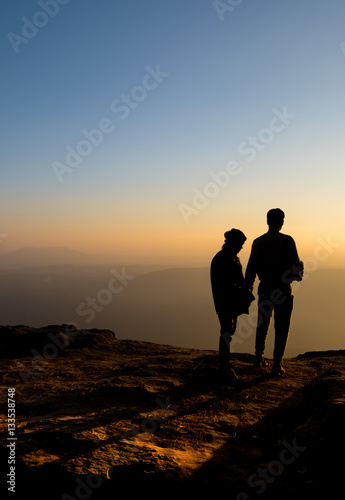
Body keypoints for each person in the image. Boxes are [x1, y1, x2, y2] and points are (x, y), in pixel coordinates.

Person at [245, 208, 303, 376]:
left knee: (262, 322)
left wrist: (248, 288)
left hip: (265, 287)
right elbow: (296, 267)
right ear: (281, 222)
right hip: (282, 288)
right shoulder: (287, 241)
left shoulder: (258, 242)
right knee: (282, 325)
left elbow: (251, 269)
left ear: (267, 221)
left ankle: (258, 357)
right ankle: (277, 363)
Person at [210, 228, 253, 383]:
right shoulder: (223, 259)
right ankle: (224, 368)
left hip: (228, 302)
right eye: (240, 244)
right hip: (226, 302)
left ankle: (225, 365)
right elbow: (224, 284)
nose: (242, 247)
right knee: (227, 332)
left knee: (229, 331)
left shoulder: (229, 257)